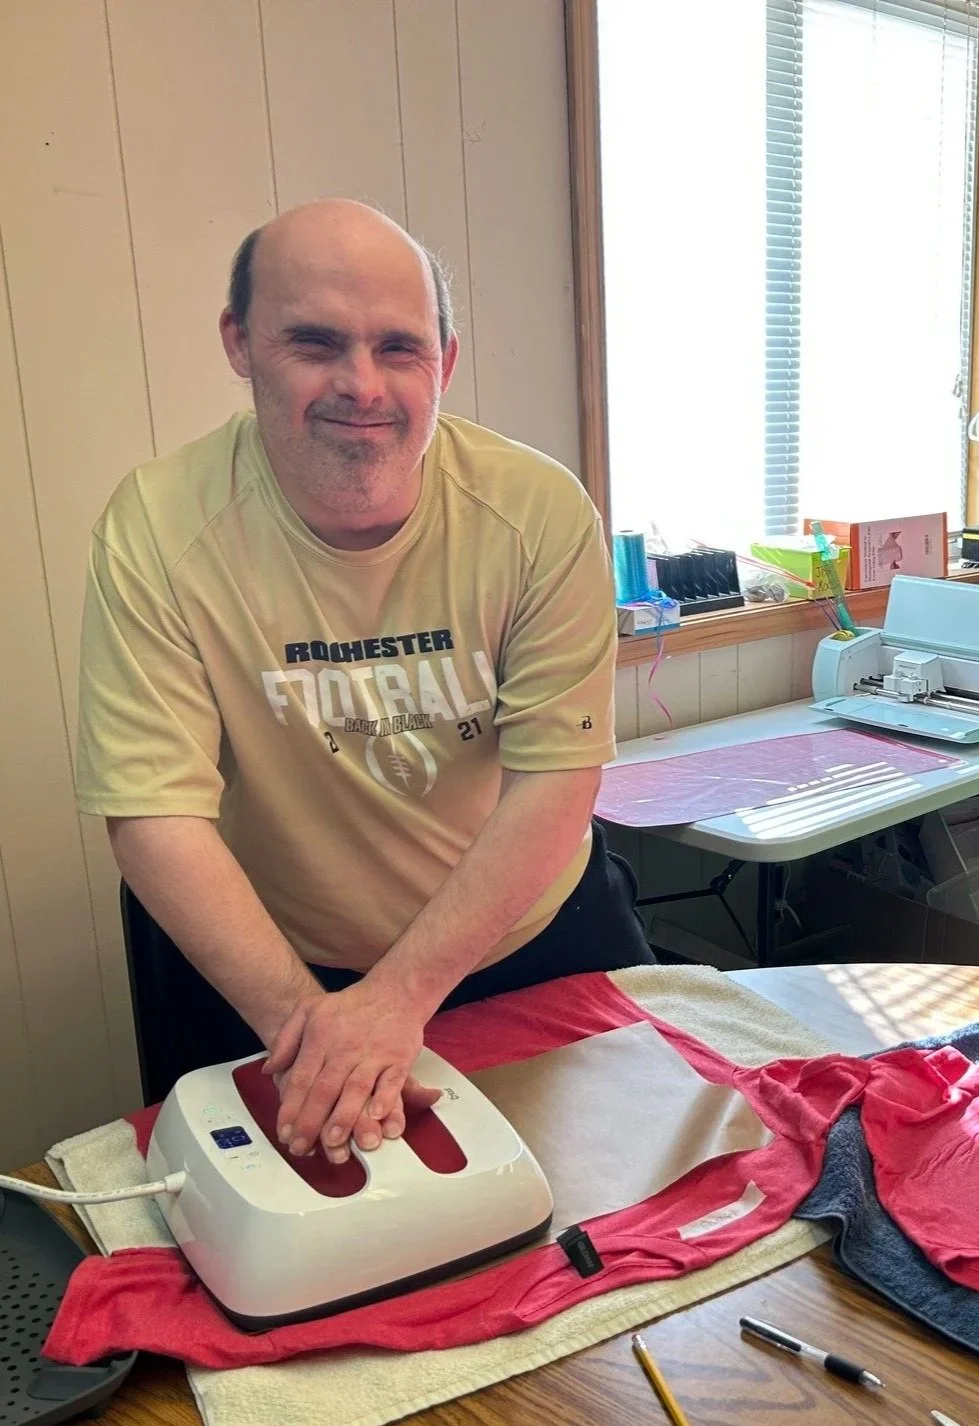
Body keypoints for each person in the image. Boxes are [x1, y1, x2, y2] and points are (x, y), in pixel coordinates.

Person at [76, 199, 652, 1167]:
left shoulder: (538, 512)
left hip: (523, 933)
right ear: (240, 344)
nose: (361, 385)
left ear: (446, 361)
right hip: (277, 964)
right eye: (313, 342)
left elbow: (556, 779)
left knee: (615, 1202)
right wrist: (323, 1032)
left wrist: (395, 1003)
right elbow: (152, 815)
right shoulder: (158, 527)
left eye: (399, 347)